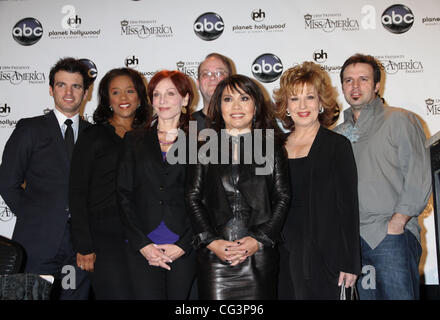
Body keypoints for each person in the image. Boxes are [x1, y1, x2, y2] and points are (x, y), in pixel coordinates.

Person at [334, 54, 431, 300]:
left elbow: (419, 175)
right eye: (348, 80)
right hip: (352, 243)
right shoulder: (336, 134)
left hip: (390, 238)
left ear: (377, 85)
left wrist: (397, 224)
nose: (355, 87)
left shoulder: (400, 119)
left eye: (363, 79)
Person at [185, 74, 290, 300]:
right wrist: (213, 242)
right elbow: (193, 198)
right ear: (218, 106)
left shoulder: (272, 147)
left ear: (256, 105)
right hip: (215, 258)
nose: (236, 106)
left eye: (244, 98)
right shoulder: (203, 147)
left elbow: (282, 197)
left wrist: (258, 240)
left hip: (259, 255)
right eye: (227, 99)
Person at [0, 57, 92, 299]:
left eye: (76, 86)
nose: (69, 92)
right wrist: (36, 216)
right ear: (51, 89)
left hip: (79, 248)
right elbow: (7, 182)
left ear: (86, 92)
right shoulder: (30, 129)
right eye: (62, 85)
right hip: (37, 244)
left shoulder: (95, 135)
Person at [273, 61, 361, 300]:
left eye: (310, 97)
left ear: (321, 103)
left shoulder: (337, 146)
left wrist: (350, 262)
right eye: (294, 99)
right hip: (282, 253)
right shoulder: (274, 147)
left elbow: (348, 209)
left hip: (326, 255)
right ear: (286, 106)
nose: (303, 106)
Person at [69, 68, 151, 299]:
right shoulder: (93, 136)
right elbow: (77, 192)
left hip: (143, 236)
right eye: (116, 92)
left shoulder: (150, 137)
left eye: (129, 91)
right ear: (107, 99)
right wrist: (84, 246)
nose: (123, 98)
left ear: (139, 97)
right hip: (105, 239)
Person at [117, 70, 196, 299]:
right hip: (142, 246)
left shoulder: (199, 144)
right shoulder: (134, 140)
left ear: (185, 99)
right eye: (157, 94)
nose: (162, 101)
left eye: (170, 93)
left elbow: (202, 199)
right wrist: (143, 244)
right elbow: (123, 195)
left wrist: (184, 244)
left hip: (183, 246)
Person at [192, 53, 233, 130]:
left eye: (219, 73)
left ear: (231, 82)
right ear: (198, 83)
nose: (212, 77)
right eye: (206, 74)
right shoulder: (186, 125)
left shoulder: (245, 122)